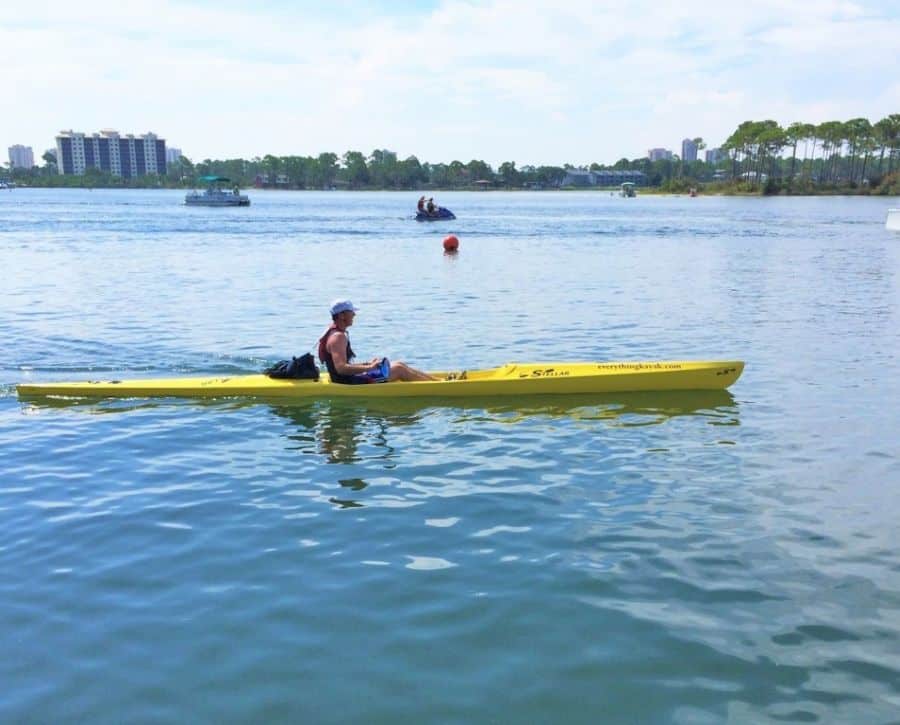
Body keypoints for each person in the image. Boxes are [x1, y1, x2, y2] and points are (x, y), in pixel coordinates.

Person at [318, 300, 436, 384]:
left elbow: (342, 365)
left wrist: (367, 364)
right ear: (342, 315)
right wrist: (370, 368)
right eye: (351, 312)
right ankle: (436, 388)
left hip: (349, 378)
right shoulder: (338, 337)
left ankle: (437, 382)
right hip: (349, 382)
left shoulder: (335, 332)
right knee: (399, 370)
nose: (354, 314)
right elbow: (341, 369)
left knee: (399, 364)